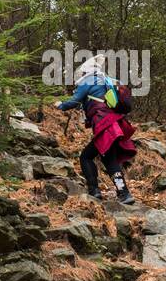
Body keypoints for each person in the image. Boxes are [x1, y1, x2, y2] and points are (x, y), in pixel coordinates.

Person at [56, 56, 137, 204]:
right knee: (110, 160)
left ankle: (95, 191)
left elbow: (74, 100)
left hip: (105, 125)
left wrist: (60, 105)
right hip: (114, 124)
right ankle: (124, 194)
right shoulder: (106, 80)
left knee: (85, 157)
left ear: (86, 71)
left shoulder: (89, 80)